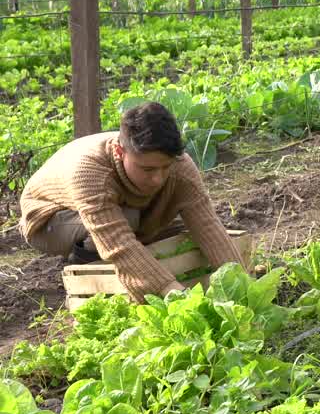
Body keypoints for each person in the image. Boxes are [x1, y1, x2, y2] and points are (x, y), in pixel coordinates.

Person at [19, 101, 247, 302]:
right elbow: (119, 243)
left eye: (165, 167)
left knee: (174, 224)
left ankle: (138, 263)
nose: (157, 178)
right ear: (120, 151)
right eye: (147, 169)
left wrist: (242, 282)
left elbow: (207, 225)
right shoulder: (90, 172)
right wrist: (173, 294)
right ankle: (89, 272)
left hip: (122, 209)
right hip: (50, 219)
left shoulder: (180, 164)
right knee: (127, 221)